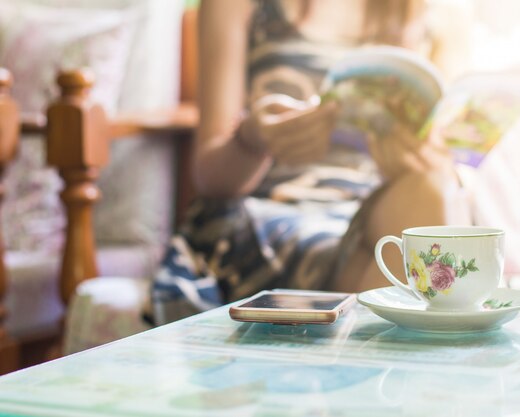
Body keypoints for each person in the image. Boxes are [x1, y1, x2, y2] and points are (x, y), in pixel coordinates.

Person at [151, 0, 471, 324]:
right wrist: (253, 139)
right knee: (407, 249)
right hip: (266, 209)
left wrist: (418, 159)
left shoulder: (414, 11)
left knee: (431, 193)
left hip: (366, 210)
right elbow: (210, 177)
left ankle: (370, 362)